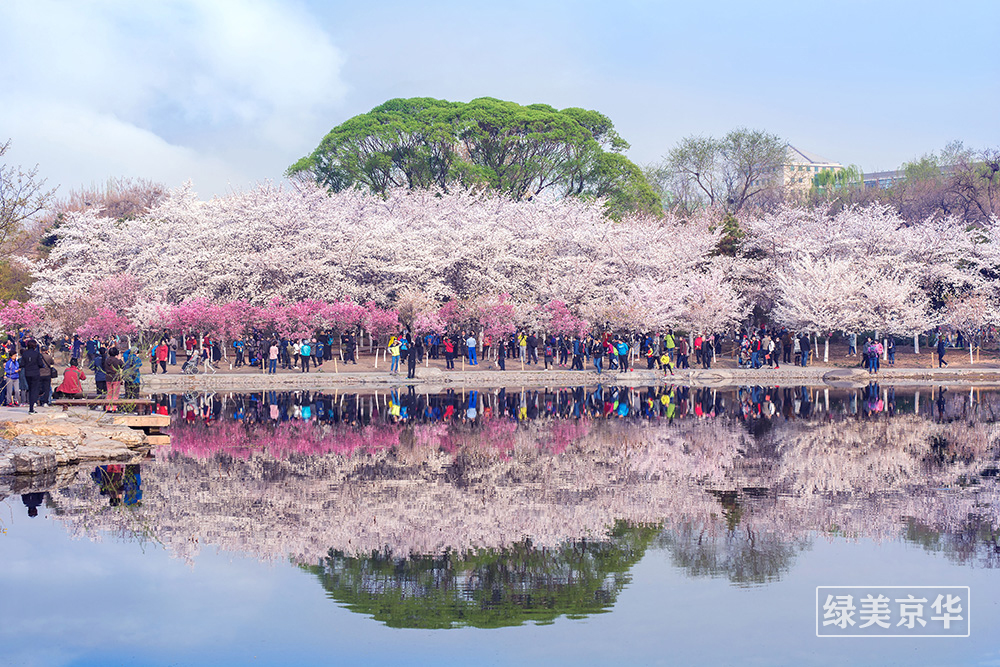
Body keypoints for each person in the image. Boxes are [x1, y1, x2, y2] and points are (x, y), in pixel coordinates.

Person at [20, 339, 46, 413]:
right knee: (34, 390)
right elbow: (40, 364)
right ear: (35, 346)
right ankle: (32, 407)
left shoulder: (24, 354)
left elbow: (22, 364)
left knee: (30, 389)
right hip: (35, 373)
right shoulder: (37, 354)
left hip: (27, 373)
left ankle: (31, 406)